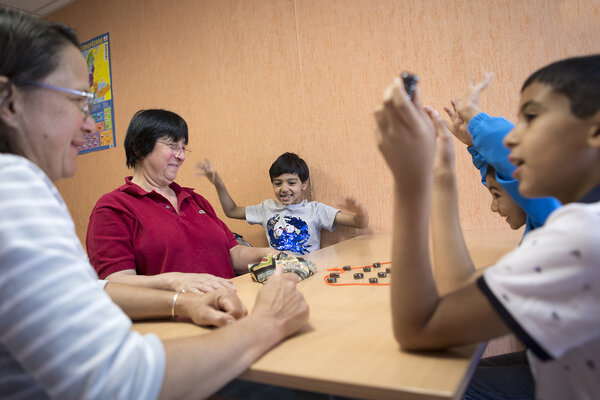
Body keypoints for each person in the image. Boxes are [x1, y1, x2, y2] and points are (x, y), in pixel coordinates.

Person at [0, 7, 309, 399]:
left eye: (185, 147)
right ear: (10, 102)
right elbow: (119, 377)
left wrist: (183, 300)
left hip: (220, 317)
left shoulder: (193, 198)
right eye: (78, 101)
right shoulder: (18, 186)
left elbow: (96, 293)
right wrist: (270, 321)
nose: (91, 124)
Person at [374, 54, 600, 399]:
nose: (511, 138)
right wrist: (441, 175)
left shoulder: (582, 236)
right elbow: (459, 289)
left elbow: (417, 328)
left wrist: (410, 180)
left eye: (532, 117)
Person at [86, 109, 277, 293]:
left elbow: (232, 253)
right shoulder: (113, 207)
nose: (181, 156)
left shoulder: (195, 200)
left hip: (229, 305)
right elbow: (114, 284)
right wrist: (176, 281)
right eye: (172, 146)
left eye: (183, 147)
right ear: (139, 148)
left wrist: (267, 254)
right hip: (173, 321)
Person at [444, 74, 561, 234]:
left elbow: (512, 161)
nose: (492, 207)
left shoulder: (553, 217)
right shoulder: (538, 227)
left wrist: (477, 122)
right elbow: (498, 174)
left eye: (497, 195)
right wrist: (474, 144)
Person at [197, 152, 369, 255]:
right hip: (277, 275)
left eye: (291, 183)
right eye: (278, 183)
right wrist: (218, 184)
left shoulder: (315, 210)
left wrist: (360, 212)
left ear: (304, 183)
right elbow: (232, 211)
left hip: (309, 273)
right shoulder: (267, 208)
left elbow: (359, 223)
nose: (284, 189)